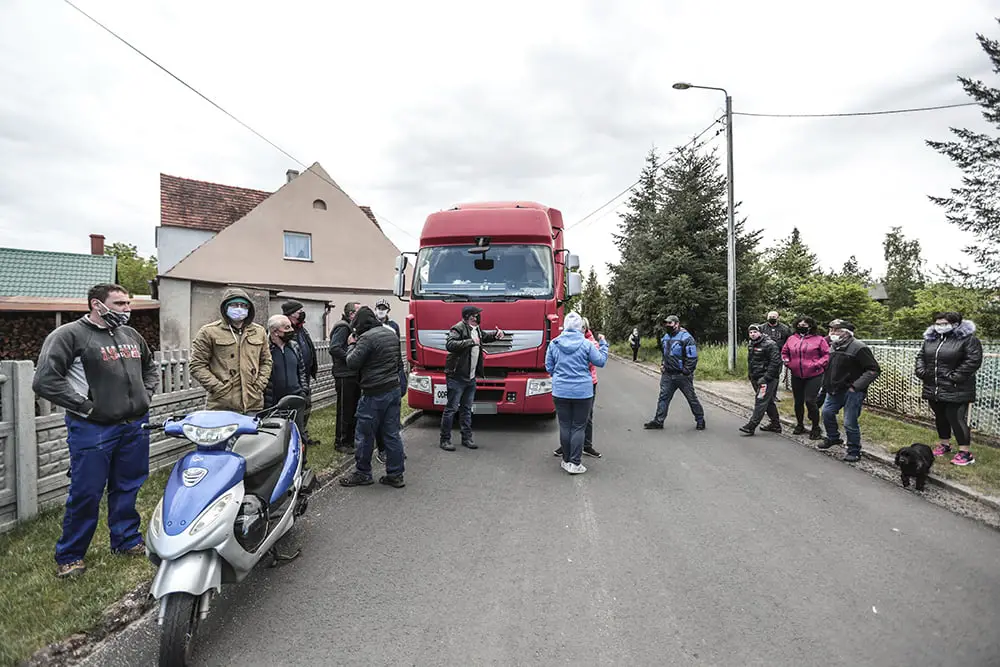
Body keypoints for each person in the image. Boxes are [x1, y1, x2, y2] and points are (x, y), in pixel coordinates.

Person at [32, 284, 160, 578]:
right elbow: (45, 381)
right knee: (86, 492)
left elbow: (150, 368)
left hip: (134, 425)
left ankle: (126, 540)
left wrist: (146, 395)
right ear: (96, 305)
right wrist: (87, 407)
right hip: (93, 428)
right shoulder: (69, 335)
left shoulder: (131, 335)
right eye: (119, 303)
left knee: (128, 486)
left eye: (128, 303)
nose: (126, 309)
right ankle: (70, 555)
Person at [339, 306, 407, 488]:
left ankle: (363, 473)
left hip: (374, 392)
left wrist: (351, 344)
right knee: (391, 434)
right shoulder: (391, 334)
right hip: (392, 389)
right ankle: (395, 474)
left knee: (364, 434)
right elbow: (398, 362)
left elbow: (352, 362)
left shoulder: (366, 338)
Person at [914, 312, 983, 466]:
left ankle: (965, 453)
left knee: (956, 418)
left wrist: (954, 377)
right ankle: (944, 444)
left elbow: (973, 360)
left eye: (944, 323)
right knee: (940, 416)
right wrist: (921, 372)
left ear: (955, 324)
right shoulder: (930, 340)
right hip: (934, 387)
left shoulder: (968, 340)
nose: (940, 327)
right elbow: (921, 357)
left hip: (957, 388)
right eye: (937, 324)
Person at [190, 289, 272, 414]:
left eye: (243, 305)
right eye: (234, 305)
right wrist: (217, 388)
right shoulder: (209, 332)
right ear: (225, 308)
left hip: (253, 404)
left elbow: (266, 361)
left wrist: (259, 385)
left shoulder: (259, 332)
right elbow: (197, 365)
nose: (239, 309)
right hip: (221, 405)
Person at [545, 312, 609, 474]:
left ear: (565, 326)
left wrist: (559, 376)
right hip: (583, 392)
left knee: (565, 425)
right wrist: (604, 344)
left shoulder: (554, 343)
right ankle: (575, 463)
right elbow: (600, 361)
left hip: (560, 391)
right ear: (580, 327)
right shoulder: (587, 344)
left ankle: (566, 460)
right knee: (579, 427)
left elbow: (549, 367)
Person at [439, 305, 505, 451]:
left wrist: (496, 335)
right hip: (456, 376)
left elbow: (484, 337)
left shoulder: (476, 329)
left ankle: (466, 438)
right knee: (451, 409)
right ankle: (445, 439)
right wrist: (470, 341)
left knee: (467, 409)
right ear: (469, 316)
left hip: (470, 377)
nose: (478, 317)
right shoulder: (458, 328)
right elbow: (450, 344)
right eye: (476, 315)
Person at [819, 319, 881, 462]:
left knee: (849, 422)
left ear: (846, 333)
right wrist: (826, 385)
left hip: (853, 391)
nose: (832, 333)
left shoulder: (859, 347)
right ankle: (833, 437)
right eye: (831, 330)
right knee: (827, 413)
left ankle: (854, 450)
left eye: (837, 330)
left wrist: (856, 386)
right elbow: (830, 368)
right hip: (834, 388)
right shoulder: (833, 346)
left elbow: (873, 370)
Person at [643, 315, 706, 431]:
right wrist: (663, 364)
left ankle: (700, 420)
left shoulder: (686, 338)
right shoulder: (666, 337)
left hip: (682, 376)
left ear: (677, 324)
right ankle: (658, 421)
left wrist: (686, 371)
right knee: (663, 398)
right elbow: (665, 354)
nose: (667, 325)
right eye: (666, 323)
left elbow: (692, 357)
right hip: (668, 374)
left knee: (691, 398)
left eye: (670, 323)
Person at [554, 317, 602, 459]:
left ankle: (586, 446)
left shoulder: (591, 343)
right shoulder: (564, 341)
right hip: (581, 383)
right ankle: (567, 447)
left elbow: (595, 362)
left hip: (588, 383)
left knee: (586, 418)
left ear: (585, 329)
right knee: (569, 421)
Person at [781, 315, 830, 440]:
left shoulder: (819, 339)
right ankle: (799, 424)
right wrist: (787, 362)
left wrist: (817, 364)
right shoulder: (792, 338)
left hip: (814, 374)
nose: (801, 327)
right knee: (798, 401)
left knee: (810, 401)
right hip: (796, 373)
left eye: (804, 325)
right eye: (799, 325)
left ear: (810, 326)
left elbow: (826, 355)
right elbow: (784, 352)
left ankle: (815, 427)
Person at [263, 315, 310, 442]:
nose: (291, 330)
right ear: (275, 332)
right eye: (287, 327)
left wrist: (303, 390)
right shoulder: (266, 350)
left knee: (299, 435)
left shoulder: (294, 346)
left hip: (296, 399)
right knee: (277, 438)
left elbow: (301, 370)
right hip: (275, 403)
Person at [373, 297, 408, 465]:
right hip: (379, 376)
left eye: (383, 308)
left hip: (394, 372)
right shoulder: (372, 326)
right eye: (379, 308)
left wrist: (401, 372)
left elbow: (396, 349)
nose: (381, 311)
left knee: (393, 417)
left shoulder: (393, 326)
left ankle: (395, 449)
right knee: (380, 417)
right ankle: (382, 450)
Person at [281, 300, 319, 445]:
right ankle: (295, 437)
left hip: (305, 375)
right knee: (296, 407)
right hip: (294, 377)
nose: (302, 314)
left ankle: (303, 435)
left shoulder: (301, 329)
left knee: (306, 406)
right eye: (299, 311)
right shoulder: (286, 331)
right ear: (291, 314)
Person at [739, 324, 783, 436]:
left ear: (760, 332)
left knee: (760, 401)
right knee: (768, 402)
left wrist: (766, 378)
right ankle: (775, 424)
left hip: (767, 379)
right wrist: (750, 375)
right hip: (755, 377)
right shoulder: (751, 344)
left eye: (755, 332)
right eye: (750, 332)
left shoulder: (770, 344)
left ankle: (751, 426)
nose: (753, 334)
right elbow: (751, 361)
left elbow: (775, 362)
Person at [330, 302, 361, 453]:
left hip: (351, 374)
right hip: (344, 374)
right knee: (345, 409)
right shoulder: (343, 327)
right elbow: (334, 348)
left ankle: (350, 440)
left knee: (353, 408)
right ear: (351, 314)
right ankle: (341, 441)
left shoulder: (351, 327)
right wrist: (350, 357)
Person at [761, 311, 793, 398]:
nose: (772, 318)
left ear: (778, 318)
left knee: (775, 375)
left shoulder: (785, 329)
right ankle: (763, 394)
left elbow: (790, 341)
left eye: (774, 317)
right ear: (767, 317)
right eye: (770, 317)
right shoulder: (761, 328)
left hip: (778, 356)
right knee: (763, 375)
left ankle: (773, 395)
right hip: (764, 355)